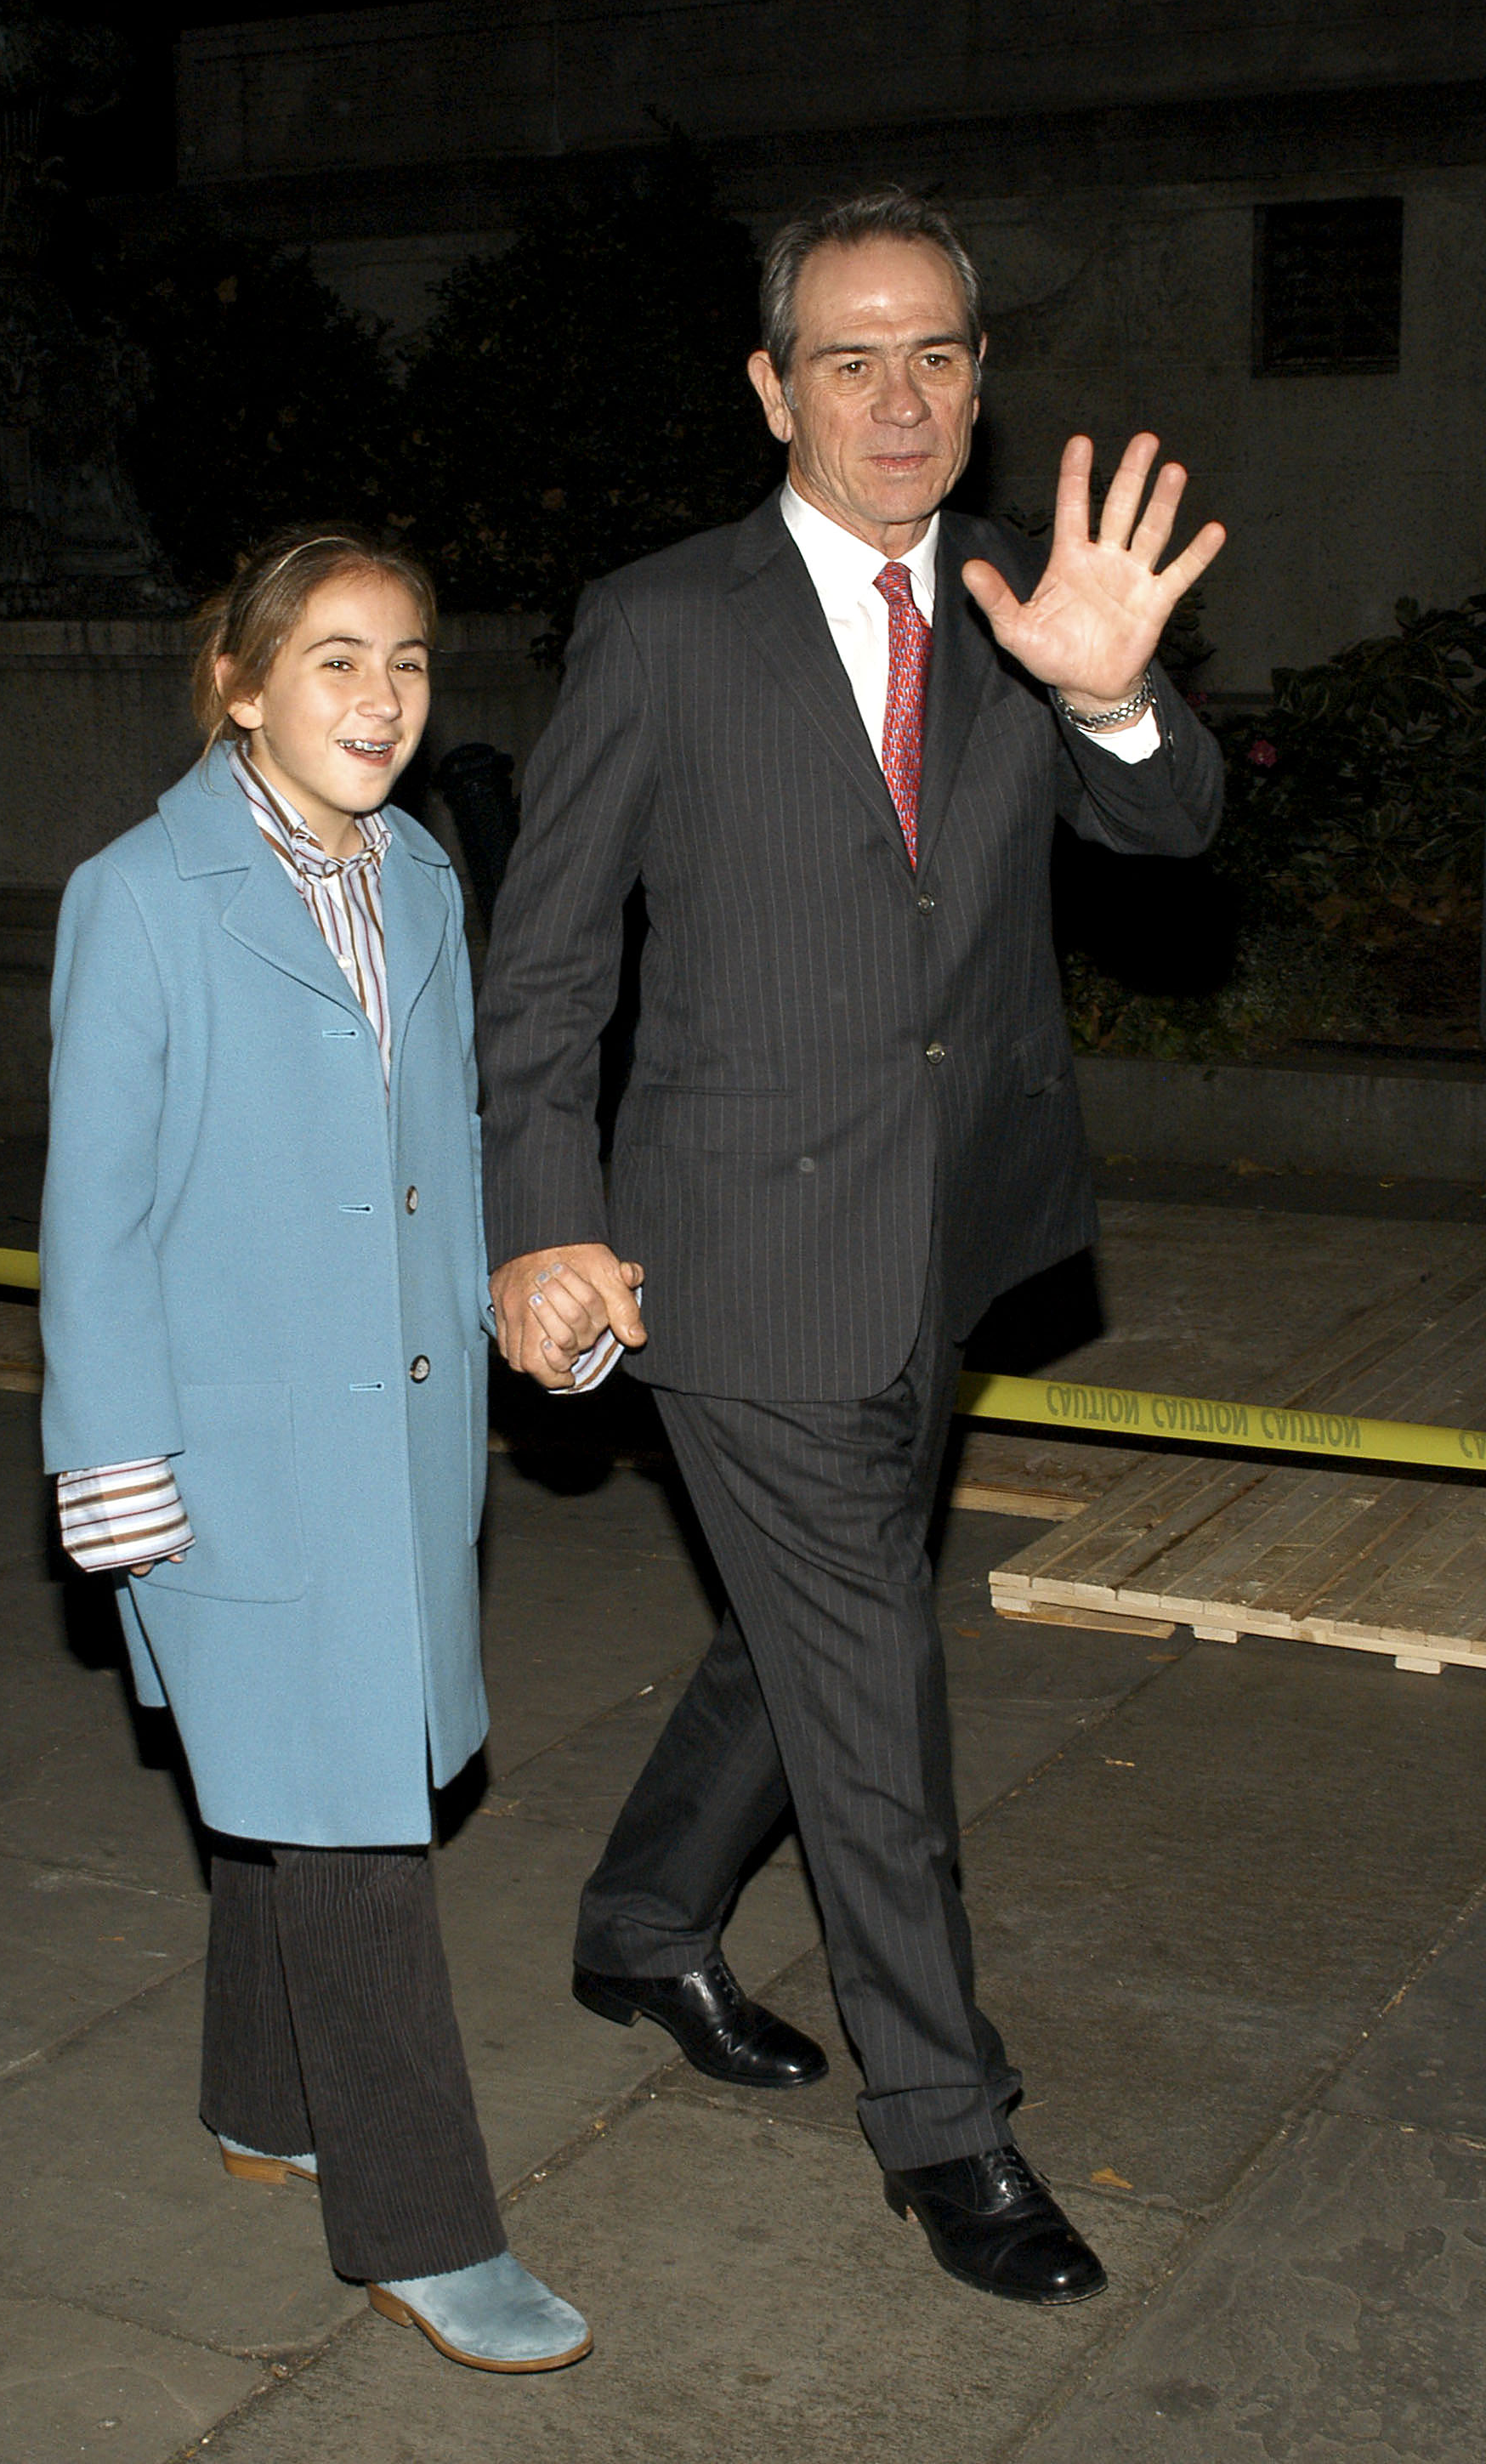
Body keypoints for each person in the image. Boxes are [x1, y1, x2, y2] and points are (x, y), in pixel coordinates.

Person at [478, 190, 1226, 2307]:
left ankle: (638, 1928)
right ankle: (948, 2129)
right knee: (874, 1694)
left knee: (806, 1633)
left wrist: (1112, 700)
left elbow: (1174, 832)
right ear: (768, 386)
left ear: (980, 383)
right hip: (732, 1250)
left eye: (935, 356)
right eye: (847, 359)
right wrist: (544, 1215)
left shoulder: (1024, 596)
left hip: (953, 1237)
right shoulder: (661, 621)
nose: (895, 400)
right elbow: (541, 969)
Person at [39, 524, 591, 2373]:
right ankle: (423, 2229)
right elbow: (93, 1215)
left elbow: (438, 1138)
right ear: (243, 684)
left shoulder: (423, 872)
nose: (380, 697)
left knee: (311, 1784)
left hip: (409, 1442)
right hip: (236, 1455)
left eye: (411, 662)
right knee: (360, 1828)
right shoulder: (140, 897)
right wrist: (109, 1463)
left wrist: (524, 1295)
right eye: (335, 660)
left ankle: (262, 2097)